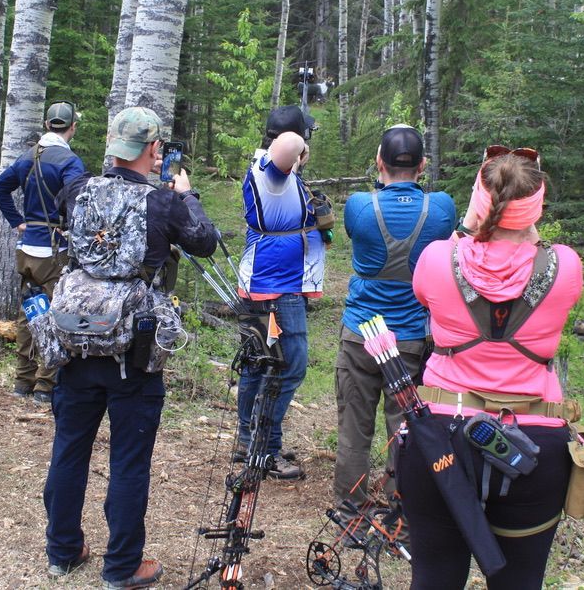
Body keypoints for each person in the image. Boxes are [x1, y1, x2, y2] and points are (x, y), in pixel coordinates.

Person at [43, 106, 217, 589]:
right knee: (128, 460)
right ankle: (121, 567)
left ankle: (62, 550)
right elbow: (203, 242)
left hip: (75, 339)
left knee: (69, 449)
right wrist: (189, 196)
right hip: (132, 351)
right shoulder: (163, 202)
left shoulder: (77, 190)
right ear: (154, 150)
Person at [397, 148, 584, 589]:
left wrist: (470, 224)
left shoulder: (438, 259)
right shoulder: (566, 265)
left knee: (434, 577)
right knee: (520, 581)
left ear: (479, 201)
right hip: (534, 445)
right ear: (536, 206)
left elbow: (430, 289)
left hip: (440, 436)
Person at [333, 125, 456, 531]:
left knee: (354, 429)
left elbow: (353, 235)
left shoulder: (359, 206)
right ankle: (399, 517)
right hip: (409, 339)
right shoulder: (440, 208)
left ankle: (350, 519)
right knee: (403, 431)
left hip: (360, 334)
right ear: (422, 166)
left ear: (379, 163)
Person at [235, 104, 325, 481]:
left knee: (258, 364)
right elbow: (287, 143)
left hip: (267, 283)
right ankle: (265, 448)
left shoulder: (278, 175)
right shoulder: (272, 171)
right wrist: (297, 146)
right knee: (289, 365)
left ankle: (249, 439)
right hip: (277, 287)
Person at [0, 101, 86, 402]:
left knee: (28, 313)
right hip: (53, 250)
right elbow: (77, 200)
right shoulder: (70, 162)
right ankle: (46, 384)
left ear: (47, 125)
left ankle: (22, 380)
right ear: (72, 127)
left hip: (26, 247)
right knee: (55, 313)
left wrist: (18, 222)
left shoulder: (27, 157)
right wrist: (71, 227)